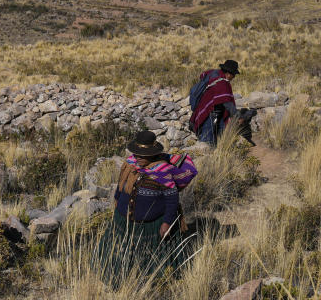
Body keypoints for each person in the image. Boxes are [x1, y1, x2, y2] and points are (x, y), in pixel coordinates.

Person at [96, 131, 195, 287]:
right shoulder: (129, 164)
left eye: (144, 154)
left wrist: (167, 223)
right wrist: (116, 202)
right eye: (137, 153)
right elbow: (121, 186)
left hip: (150, 226)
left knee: (151, 259)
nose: (139, 157)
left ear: (153, 154)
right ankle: (118, 279)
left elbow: (172, 199)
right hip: (124, 221)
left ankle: (152, 283)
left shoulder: (162, 171)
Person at [190, 59, 239, 145]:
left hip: (206, 110)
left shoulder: (214, 74)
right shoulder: (222, 84)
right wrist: (236, 115)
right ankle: (208, 155)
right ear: (228, 73)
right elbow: (227, 103)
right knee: (208, 140)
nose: (234, 77)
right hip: (210, 115)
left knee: (212, 136)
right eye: (234, 74)